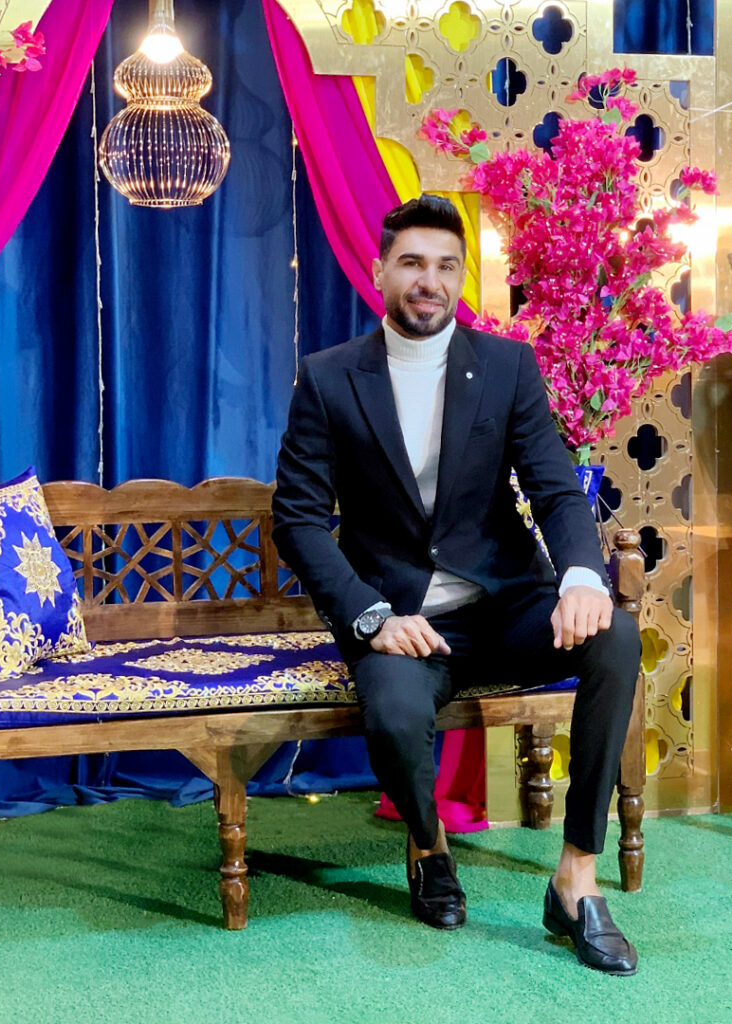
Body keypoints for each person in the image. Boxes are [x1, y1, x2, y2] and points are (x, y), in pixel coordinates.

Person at [272, 195, 642, 974]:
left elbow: (554, 487)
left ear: (462, 277)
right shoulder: (330, 379)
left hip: (504, 606)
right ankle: (429, 844)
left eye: (445, 265)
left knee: (616, 636)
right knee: (396, 713)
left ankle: (576, 876)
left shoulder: (506, 366)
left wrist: (582, 575)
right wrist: (371, 615)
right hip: (402, 622)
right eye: (412, 262)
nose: (429, 280)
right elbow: (298, 519)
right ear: (380, 271)